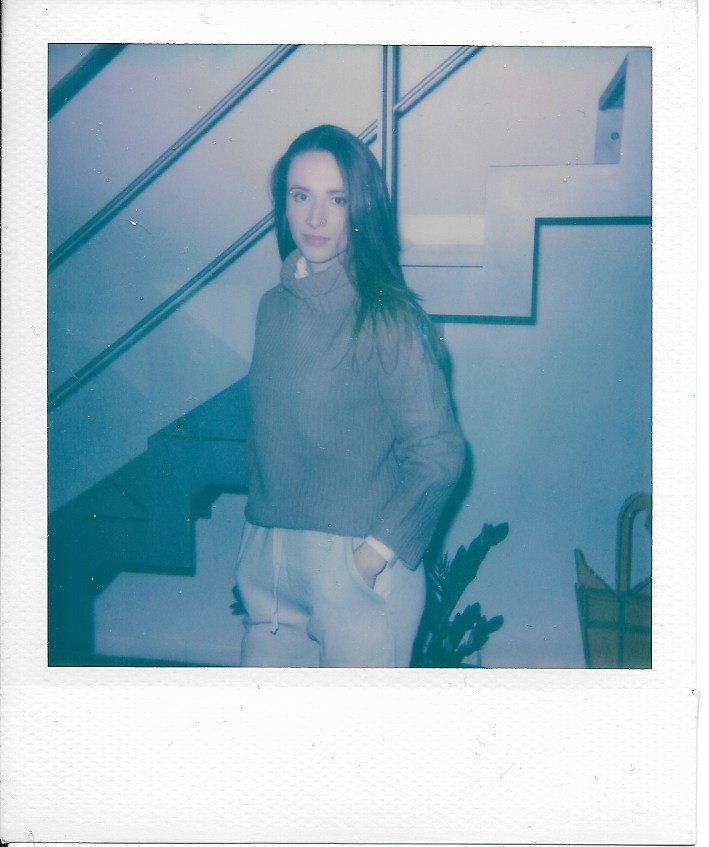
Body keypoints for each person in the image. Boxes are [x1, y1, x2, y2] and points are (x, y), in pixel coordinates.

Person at [234, 124, 465, 667]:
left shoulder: (389, 317)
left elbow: (439, 455)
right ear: (283, 206)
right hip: (270, 565)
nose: (316, 218)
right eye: (301, 196)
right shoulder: (272, 308)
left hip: (360, 569)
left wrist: (367, 559)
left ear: (361, 208)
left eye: (337, 199)